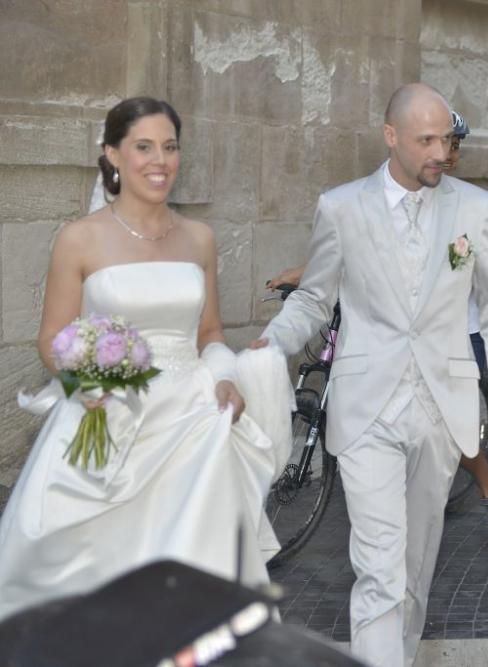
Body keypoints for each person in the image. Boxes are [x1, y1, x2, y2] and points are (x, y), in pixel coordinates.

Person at [253, 83, 488, 667]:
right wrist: (270, 343)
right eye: (426, 140)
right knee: (378, 566)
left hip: (442, 408)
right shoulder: (341, 206)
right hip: (364, 409)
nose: (440, 152)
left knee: (412, 572)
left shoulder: (475, 207)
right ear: (391, 137)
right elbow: (312, 299)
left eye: (446, 139)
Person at [0, 97, 289, 621]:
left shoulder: (198, 238)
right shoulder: (79, 238)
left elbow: (209, 331)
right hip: (106, 419)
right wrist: (84, 380)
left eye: (170, 147)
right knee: (95, 579)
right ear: (112, 154)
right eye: (144, 147)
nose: (160, 161)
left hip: (190, 426)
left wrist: (224, 377)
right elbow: (52, 337)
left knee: (194, 581)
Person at [265, 110, 488, 543]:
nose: (446, 153)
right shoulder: (369, 198)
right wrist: (304, 275)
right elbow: (361, 249)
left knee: (456, 432)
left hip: (458, 330)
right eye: (436, 142)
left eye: (454, 145)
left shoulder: (469, 207)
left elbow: (473, 279)